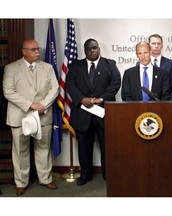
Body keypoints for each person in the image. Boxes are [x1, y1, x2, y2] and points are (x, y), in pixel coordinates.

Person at [2, 39, 59, 196]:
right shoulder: (11, 68)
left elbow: (55, 88)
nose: (37, 52)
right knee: (20, 151)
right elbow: (8, 92)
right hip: (19, 116)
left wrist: (42, 105)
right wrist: (31, 105)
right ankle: (21, 182)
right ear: (24, 51)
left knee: (43, 148)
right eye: (33, 49)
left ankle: (46, 179)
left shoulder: (47, 68)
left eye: (37, 49)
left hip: (43, 115)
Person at [66, 38, 121, 185]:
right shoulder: (76, 66)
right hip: (82, 114)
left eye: (95, 48)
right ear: (85, 51)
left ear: (99, 48)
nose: (92, 51)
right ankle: (85, 175)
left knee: (107, 147)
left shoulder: (110, 64)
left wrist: (101, 99)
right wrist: (81, 99)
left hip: (103, 113)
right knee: (84, 147)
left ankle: (108, 174)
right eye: (89, 49)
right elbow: (70, 85)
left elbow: (116, 83)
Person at [149, 34, 172, 100]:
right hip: (146, 105)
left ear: (162, 45)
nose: (156, 46)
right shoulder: (141, 64)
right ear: (148, 45)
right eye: (153, 43)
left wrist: (169, 105)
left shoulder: (171, 64)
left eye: (159, 43)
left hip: (166, 105)